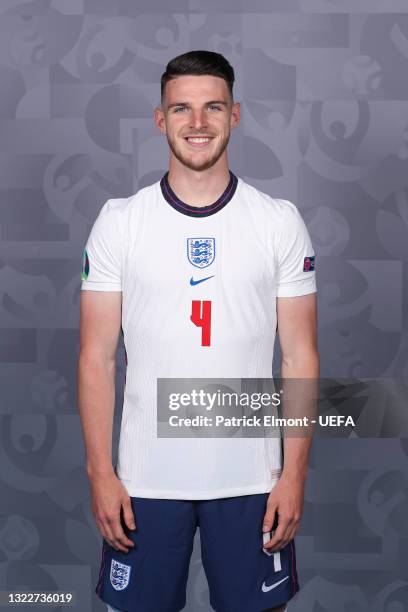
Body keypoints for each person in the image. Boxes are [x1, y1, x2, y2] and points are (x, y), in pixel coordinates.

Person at [78, 50, 319, 612]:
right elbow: (96, 358)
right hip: (146, 482)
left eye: (213, 107)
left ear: (236, 114)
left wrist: (292, 478)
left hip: (252, 481)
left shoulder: (277, 221)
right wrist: (101, 474)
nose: (198, 124)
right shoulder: (121, 222)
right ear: (160, 119)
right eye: (182, 109)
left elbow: (300, 359)